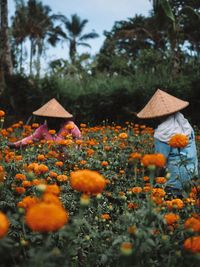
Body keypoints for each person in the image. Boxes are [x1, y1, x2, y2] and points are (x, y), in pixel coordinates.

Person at [137, 89, 198, 197]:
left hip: (174, 183)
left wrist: (151, 179)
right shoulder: (186, 125)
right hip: (194, 179)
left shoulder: (162, 133)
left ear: (157, 115)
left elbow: (160, 162)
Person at [8, 98, 82, 148]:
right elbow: (31, 138)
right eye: (47, 118)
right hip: (51, 164)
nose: (49, 120)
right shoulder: (43, 129)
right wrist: (14, 145)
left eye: (53, 118)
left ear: (59, 118)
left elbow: (79, 140)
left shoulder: (70, 126)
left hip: (69, 163)